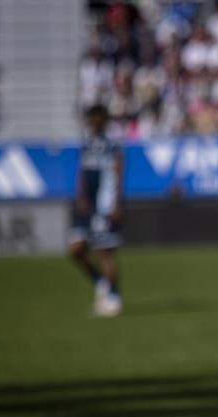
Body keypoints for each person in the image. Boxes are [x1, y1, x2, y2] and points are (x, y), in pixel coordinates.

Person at [70, 104, 125, 317]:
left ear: (104, 120)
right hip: (87, 207)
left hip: (105, 207)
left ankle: (114, 297)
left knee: (105, 252)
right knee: (76, 249)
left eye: (97, 118)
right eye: (91, 118)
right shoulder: (87, 145)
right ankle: (101, 281)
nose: (94, 122)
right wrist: (81, 196)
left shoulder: (112, 146)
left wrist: (117, 204)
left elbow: (119, 174)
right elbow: (82, 173)